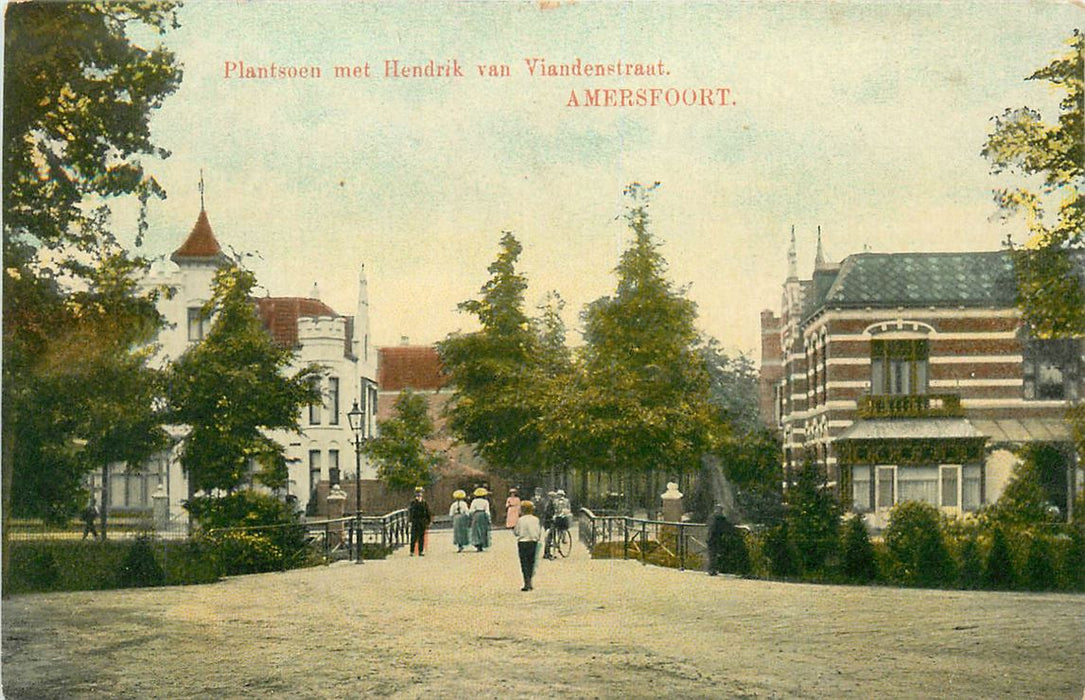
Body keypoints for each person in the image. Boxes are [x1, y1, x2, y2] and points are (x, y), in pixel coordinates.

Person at [513, 500, 542, 591]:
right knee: (531, 562)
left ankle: (526, 581)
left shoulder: (520, 520)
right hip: (533, 542)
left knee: (524, 562)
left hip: (522, 542)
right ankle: (530, 580)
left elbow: (516, 532)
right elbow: (538, 531)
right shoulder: (535, 519)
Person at [408, 487, 431, 556]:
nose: (419, 494)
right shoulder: (413, 502)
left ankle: (420, 551)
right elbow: (411, 512)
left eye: (420, 493)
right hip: (415, 521)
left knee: (421, 537)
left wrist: (428, 520)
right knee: (413, 537)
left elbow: (427, 512)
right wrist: (410, 520)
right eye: (418, 493)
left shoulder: (424, 502)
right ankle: (411, 551)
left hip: (422, 521)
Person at [469, 487, 492, 551]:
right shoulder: (485, 501)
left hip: (476, 515)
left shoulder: (474, 501)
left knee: (476, 530)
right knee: (483, 530)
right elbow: (487, 511)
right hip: (483, 515)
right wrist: (489, 518)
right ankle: (482, 543)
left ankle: (477, 543)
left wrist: (471, 517)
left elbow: (471, 510)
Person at [542, 490, 556, 559]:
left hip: (547, 521)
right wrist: (552, 516)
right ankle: (547, 553)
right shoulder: (549, 503)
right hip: (548, 521)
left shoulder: (548, 502)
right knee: (548, 537)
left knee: (549, 537)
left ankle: (547, 552)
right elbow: (547, 512)